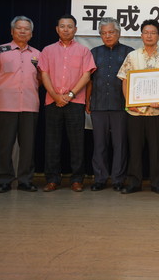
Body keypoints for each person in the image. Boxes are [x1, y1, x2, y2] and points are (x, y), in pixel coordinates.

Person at [39, 15, 96, 192]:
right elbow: (44, 74)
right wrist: (55, 95)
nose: (66, 29)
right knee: (52, 142)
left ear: (75, 30)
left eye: (69, 26)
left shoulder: (84, 51)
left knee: (77, 142)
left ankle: (77, 179)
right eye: (62, 26)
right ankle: (52, 179)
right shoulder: (47, 50)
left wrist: (70, 95)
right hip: (53, 101)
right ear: (57, 29)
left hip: (76, 102)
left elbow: (86, 76)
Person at [0, 16, 41, 193]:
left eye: (26, 29)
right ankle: (4, 180)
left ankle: (25, 180)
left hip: (30, 106)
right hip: (6, 105)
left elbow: (41, 79)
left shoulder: (38, 54)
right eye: (19, 28)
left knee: (28, 147)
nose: (23, 31)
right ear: (12, 31)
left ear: (31, 33)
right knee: (5, 145)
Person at [117, 19, 159, 195]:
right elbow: (125, 81)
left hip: (156, 112)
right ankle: (134, 182)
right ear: (141, 35)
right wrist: (130, 103)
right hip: (135, 112)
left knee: (156, 149)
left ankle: (157, 183)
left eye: (153, 33)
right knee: (134, 148)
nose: (149, 36)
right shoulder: (132, 56)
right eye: (146, 32)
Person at [85, 17, 134, 191]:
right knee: (99, 144)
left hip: (120, 105)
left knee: (120, 144)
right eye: (103, 33)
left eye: (111, 32)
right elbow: (89, 80)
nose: (107, 36)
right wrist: (87, 100)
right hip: (98, 104)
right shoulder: (94, 53)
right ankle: (100, 178)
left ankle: (118, 179)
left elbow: (135, 80)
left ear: (118, 33)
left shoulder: (129, 53)